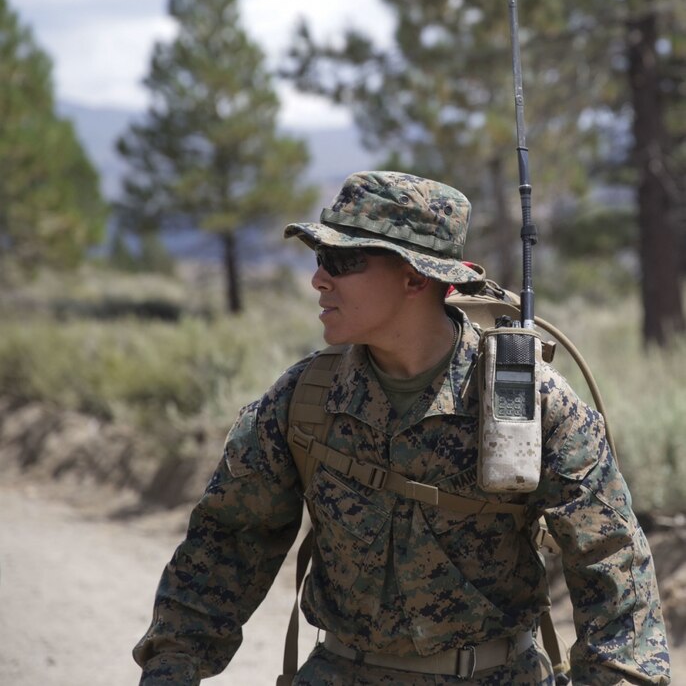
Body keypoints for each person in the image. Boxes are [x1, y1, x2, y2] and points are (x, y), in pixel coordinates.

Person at [133, 171, 671, 685]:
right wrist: (170, 670)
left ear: (415, 275)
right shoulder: (304, 399)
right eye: (320, 258)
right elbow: (227, 544)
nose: (318, 279)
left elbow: (613, 573)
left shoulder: (530, 403)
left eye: (341, 261)